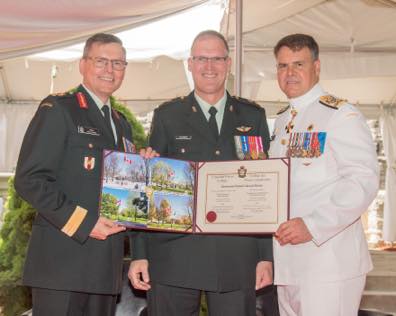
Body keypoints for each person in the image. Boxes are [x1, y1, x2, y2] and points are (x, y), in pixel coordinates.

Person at [128, 30, 277, 316]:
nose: (210, 67)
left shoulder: (252, 116)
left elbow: (263, 189)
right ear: (190, 64)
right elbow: (149, 188)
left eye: (217, 59)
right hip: (174, 254)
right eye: (201, 59)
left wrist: (264, 257)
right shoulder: (167, 116)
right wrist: (140, 253)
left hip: (236, 256)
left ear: (229, 63)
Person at [14, 33, 152, 316]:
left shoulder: (121, 125)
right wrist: (84, 222)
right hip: (62, 266)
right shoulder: (59, 109)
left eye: (118, 63)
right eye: (101, 61)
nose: (109, 70)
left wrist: (146, 169)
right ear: (83, 64)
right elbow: (29, 179)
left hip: (104, 269)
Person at [269, 33, 379, 316]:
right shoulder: (282, 121)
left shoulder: (341, 115)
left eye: (298, 64)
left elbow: (362, 181)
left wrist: (313, 225)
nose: (289, 73)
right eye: (282, 66)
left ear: (316, 67)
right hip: (288, 263)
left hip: (328, 261)